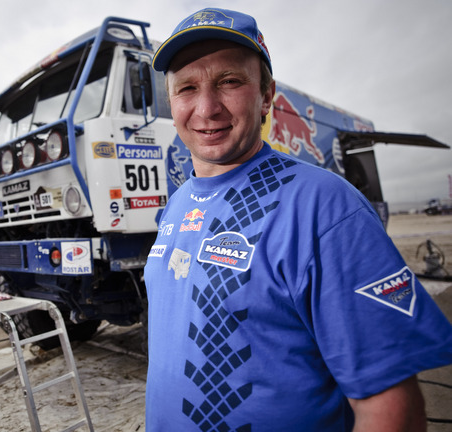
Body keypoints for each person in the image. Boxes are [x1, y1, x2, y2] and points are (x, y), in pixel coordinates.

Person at [143, 7, 452, 431]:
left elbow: (391, 407)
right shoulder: (176, 205)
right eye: (186, 88)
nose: (206, 107)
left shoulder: (325, 207)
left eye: (229, 82)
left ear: (266, 96)